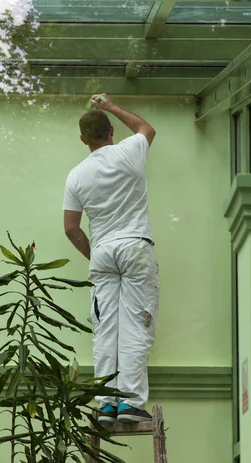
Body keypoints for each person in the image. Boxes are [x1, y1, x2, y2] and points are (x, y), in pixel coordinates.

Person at [63, 93, 159, 425]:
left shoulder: (76, 175)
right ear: (111, 131)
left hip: (102, 253)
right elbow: (146, 128)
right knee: (136, 326)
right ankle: (130, 404)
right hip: (134, 246)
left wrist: (95, 256)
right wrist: (112, 107)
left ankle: (106, 404)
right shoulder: (129, 151)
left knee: (105, 329)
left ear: (82, 139)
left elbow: (71, 228)